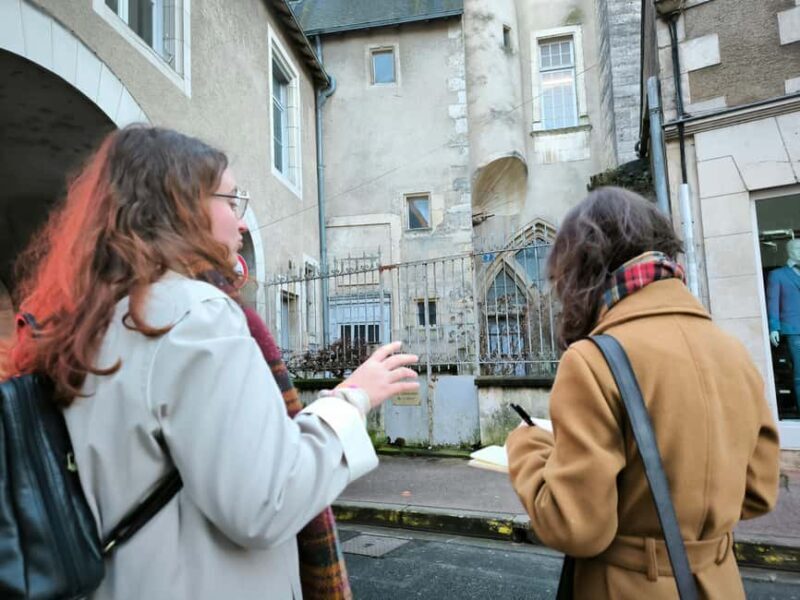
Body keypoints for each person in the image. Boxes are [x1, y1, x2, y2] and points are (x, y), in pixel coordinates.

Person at [3, 125, 419, 599]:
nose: (240, 222)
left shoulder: (87, 322)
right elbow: (267, 501)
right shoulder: (195, 315)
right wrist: (351, 400)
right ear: (181, 207)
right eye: (230, 200)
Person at [505, 187, 780, 599]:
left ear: (582, 268)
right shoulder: (731, 351)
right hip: (721, 583)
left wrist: (526, 449)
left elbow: (576, 527)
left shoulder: (593, 360)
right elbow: (758, 493)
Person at [767, 238, 800, 413]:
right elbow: (773, 302)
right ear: (790, 251)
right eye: (797, 248)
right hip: (794, 330)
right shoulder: (777, 275)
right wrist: (774, 327)